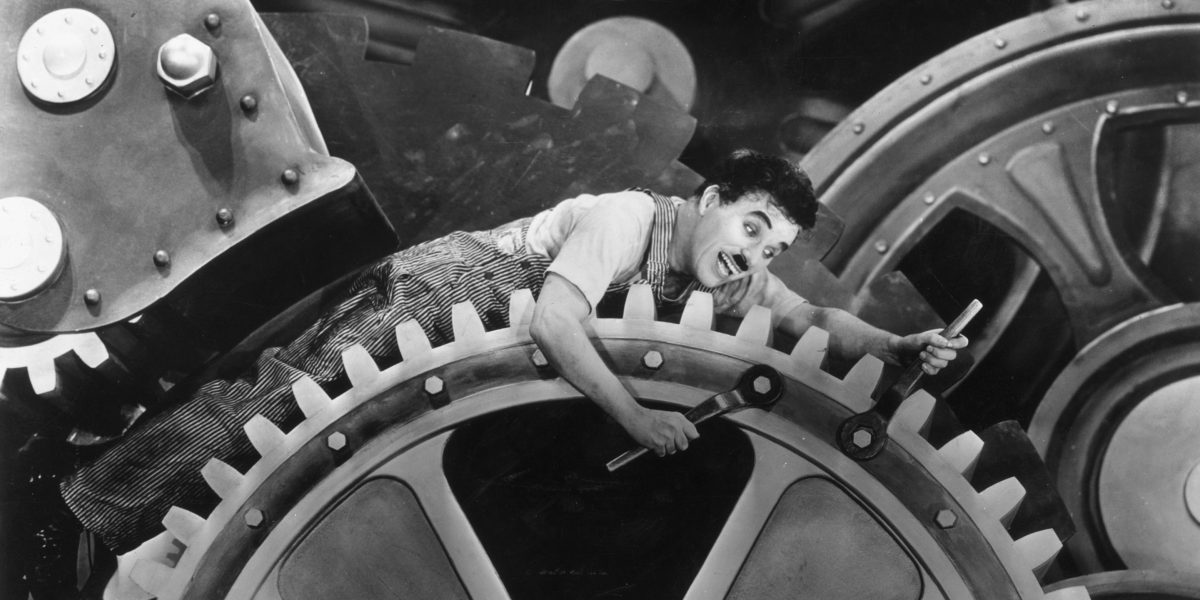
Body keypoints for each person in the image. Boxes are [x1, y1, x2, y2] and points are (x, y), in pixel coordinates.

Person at [29, 150, 966, 597]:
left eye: (774, 247)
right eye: (751, 228)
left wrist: (891, 347)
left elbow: (811, 321)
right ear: (711, 201)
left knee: (283, 448)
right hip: (440, 299)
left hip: (479, 341)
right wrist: (638, 419)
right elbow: (554, 320)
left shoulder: (730, 271)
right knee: (268, 416)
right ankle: (80, 513)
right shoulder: (627, 221)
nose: (755, 255)